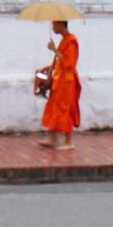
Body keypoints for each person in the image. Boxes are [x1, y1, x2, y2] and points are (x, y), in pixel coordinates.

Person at [39, 19, 80, 149]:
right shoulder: (64, 40)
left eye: (54, 25)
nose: (52, 28)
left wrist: (54, 50)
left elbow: (69, 64)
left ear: (61, 24)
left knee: (64, 108)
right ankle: (53, 139)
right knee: (54, 107)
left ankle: (68, 142)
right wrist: (48, 68)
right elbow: (60, 62)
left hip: (67, 80)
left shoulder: (71, 41)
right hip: (59, 79)